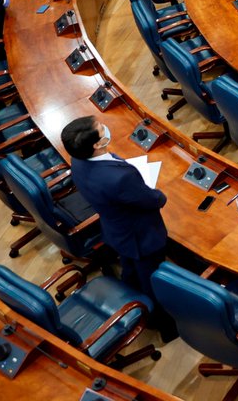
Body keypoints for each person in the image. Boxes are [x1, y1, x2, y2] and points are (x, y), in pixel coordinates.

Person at [60, 116, 176, 340]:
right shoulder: (119, 179)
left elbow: (112, 163)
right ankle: (164, 326)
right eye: (102, 129)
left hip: (116, 230)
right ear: (96, 144)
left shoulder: (79, 160)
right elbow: (154, 200)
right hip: (141, 237)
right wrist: (159, 194)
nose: (106, 129)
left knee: (131, 271)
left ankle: (130, 297)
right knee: (152, 280)